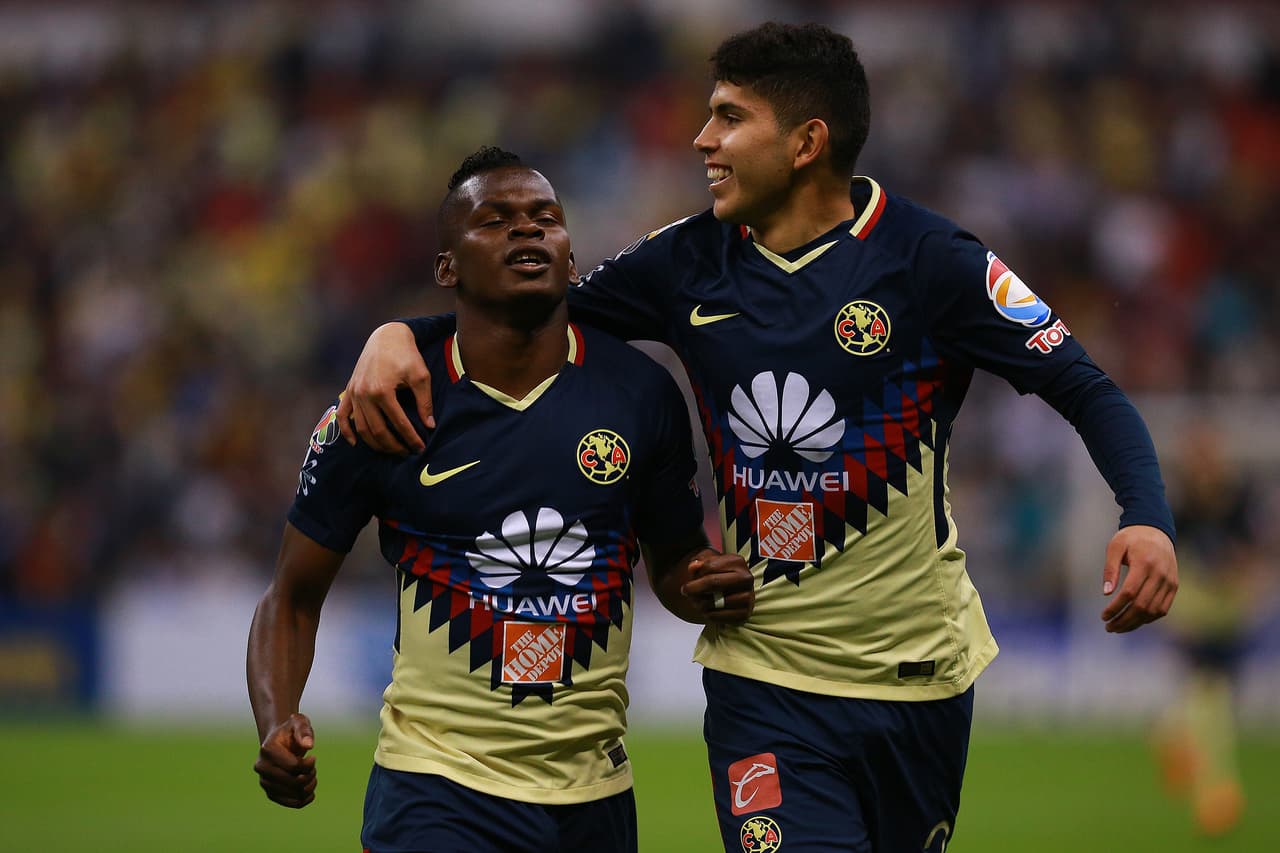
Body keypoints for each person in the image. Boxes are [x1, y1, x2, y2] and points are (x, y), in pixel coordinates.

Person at [335, 22, 1179, 853]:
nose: (704, 139)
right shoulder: (686, 263)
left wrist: (1144, 513)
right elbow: (523, 316)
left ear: (807, 141)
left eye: (730, 118)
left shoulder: (930, 261)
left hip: (918, 675)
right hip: (763, 678)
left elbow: (1085, 387)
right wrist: (402, 334)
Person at [247, 146, 754, 853]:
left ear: (573, 259)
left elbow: (673, 564)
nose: (527, 230)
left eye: (546, 218)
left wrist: (699, 585)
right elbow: (292, 596)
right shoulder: (384, 403)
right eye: (495, 219)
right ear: (447, 267)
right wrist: (277, 719)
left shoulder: (641, 394)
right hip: (435, 787)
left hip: (594, 795)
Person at [1151, 423, 1263, 836]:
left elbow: (1255, 556)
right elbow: (1173, 560)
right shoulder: (1182, 509)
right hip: (1196, 614)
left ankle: (1170, 734)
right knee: (1209, 695)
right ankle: (1215, 789)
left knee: (1211, 697)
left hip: (1229, 612)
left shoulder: (1241, 502)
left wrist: (1246, 583)